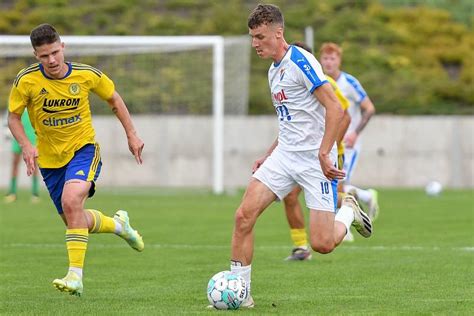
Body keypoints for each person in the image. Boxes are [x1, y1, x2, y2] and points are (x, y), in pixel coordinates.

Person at [227, 4, 373, 308]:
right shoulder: (273, 70)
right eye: (252, 37)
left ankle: (348, 210)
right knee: (243, 216)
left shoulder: (300, 61)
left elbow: (335, 108)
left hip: (313, 161)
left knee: (322, 244)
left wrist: (323, 152)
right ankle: (240, 293)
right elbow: (289, 121)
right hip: (284, 157)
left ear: (278, 33)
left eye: (260, 36)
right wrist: (268, 155)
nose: (255, 43)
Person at [7, 23, 145, 297]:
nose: (52, 60)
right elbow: (13, 117)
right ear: (36, 55)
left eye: (55, 52)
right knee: (74, 219)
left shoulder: (86, 75)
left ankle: (75, 276)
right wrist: (26, 145)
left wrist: (132, 134)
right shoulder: (26, 81)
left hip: (83, 150)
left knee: (72, 201)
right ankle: (120, 226)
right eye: (45, 56)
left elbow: (114, 100)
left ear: (63, 47)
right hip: (49, 160)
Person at [271, 41, 352, 261]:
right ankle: (300, 247)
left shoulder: (326, 83)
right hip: (298, 154)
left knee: (330, 216)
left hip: (324, 153)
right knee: (290, 196)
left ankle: (349, 209)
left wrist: (330, 145)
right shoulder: (285, 78)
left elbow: (344, 114)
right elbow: (291, 127)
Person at [319, 42, 379, 225]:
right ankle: (367, 196)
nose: (329, 62)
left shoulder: (349, 82)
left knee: (339, 184)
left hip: (348, 143)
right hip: (329, 141)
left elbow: (369, 109)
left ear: (339, 60)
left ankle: (343, 227)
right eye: (325, 58)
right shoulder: (319, 81)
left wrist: (355, 134)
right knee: (333, 184)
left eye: (332, 58)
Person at [3, 110, 40, 203]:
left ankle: (35, 193)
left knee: (34, 165)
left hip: (32, 137)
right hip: (17, 138)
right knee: (15, 163)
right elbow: (11, 118)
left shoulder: (34, 100)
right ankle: (13, 192)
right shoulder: (15, 101)